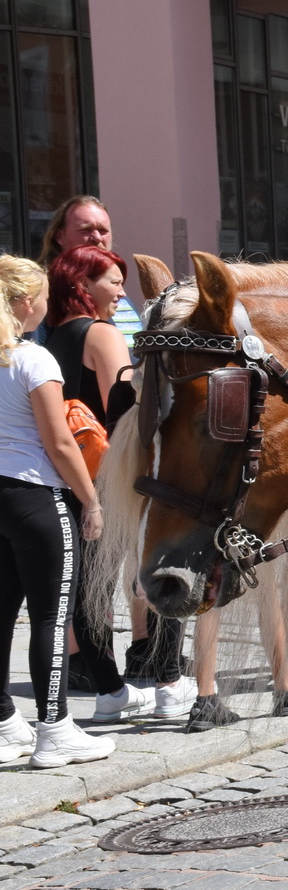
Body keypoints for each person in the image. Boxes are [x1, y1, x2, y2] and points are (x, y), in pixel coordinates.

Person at [43, 247, 198, 721]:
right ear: (82, 285)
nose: (120, 293)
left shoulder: (51, 337)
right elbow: (126, 406)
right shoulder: (102, 333)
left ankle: (109, 691)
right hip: (115, 471)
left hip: (72, 473)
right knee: (158, 568)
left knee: (91, 586)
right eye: (112, 281)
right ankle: (169, 682)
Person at [0, 255, 115, 768]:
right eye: (44, 297)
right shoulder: (33, 359)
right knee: (51, 615)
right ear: (27, 302)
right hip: (36, 496)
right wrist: (91, 500)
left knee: (3, 612)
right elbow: (61, 442)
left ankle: (5, 723)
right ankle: (55, 728)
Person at [35, 196, 142, 344]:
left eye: (103, 231)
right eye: (86, 230)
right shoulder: (43, 292)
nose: (97, 238)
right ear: (60, 236)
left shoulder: (116, 292)